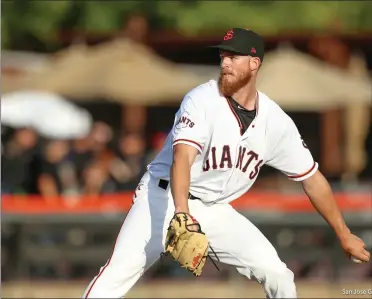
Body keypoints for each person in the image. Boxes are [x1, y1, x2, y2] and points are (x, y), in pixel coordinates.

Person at [82, 28, 370, 298]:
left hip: (216, 209)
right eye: (223, 56)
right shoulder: (202, 100)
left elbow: (312, 179)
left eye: (234, 57)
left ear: (254, 63)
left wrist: (343, 234)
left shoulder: (275, 122)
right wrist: (182, 213)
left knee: (278, 274)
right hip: (164, 198)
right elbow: (182, 158)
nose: (225, 63)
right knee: (116, 276)